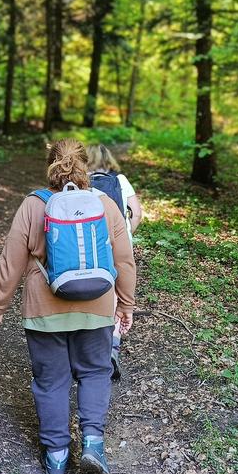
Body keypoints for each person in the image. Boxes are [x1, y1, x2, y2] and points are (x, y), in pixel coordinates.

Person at [0, 138, 136, 474]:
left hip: (44, 309)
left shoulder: (33, 205)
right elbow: (124, 260)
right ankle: (94, 444)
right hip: (97, 305)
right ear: (86, 167)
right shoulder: (103, 203)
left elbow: (11, 260)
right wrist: (126, 304)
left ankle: (55, 458)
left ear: (49, 165)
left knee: (51, 381)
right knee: (95, 373)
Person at [87, 144, 142, 380]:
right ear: (109, 159)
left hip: (91, 245)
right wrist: (125, 235)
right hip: (118, 244)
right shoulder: (120, 179)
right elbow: (137, 213)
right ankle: (112, 348)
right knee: (118, 295)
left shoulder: (82, 180)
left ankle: (88, 344)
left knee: (93, 289)